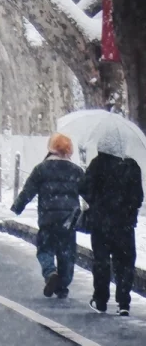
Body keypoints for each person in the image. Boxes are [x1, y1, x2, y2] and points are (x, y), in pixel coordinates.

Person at [80, 119, 143, 316]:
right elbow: (138, 197)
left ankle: (100, 300)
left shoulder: (97, 164)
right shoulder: (132, 166)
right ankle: (123, 302)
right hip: (124, 225)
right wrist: (127, 209)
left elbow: (83, 188)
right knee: (125, 263)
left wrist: (96, 202)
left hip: (101, 223)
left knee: (101, 261)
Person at [11, 131, 85, 299]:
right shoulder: (76, 171)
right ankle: (63, 285)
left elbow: (28, 190)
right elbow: (90, 193)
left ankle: (50, 272)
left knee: (45, 249)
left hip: (48, 218)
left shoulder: (41, 169)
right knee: (67, 254)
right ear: (69, 151)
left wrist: (18, 206)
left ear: (51, 149)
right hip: (68, 220)